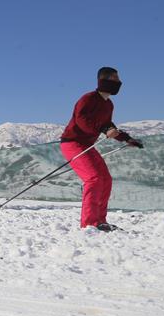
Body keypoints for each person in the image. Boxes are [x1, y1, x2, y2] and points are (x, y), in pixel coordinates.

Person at [60, 66, 143, 232]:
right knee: (94, 178)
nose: (119, 82)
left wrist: (126, 138)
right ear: (103, 80)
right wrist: (105, 130)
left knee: (105, 179)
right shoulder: (88, 98)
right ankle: (89, 223)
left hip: (87, 145)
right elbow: (82, 120)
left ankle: (100, 221)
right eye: (115, 79)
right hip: (72, 143)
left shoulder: (108, 104)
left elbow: (108, 125)